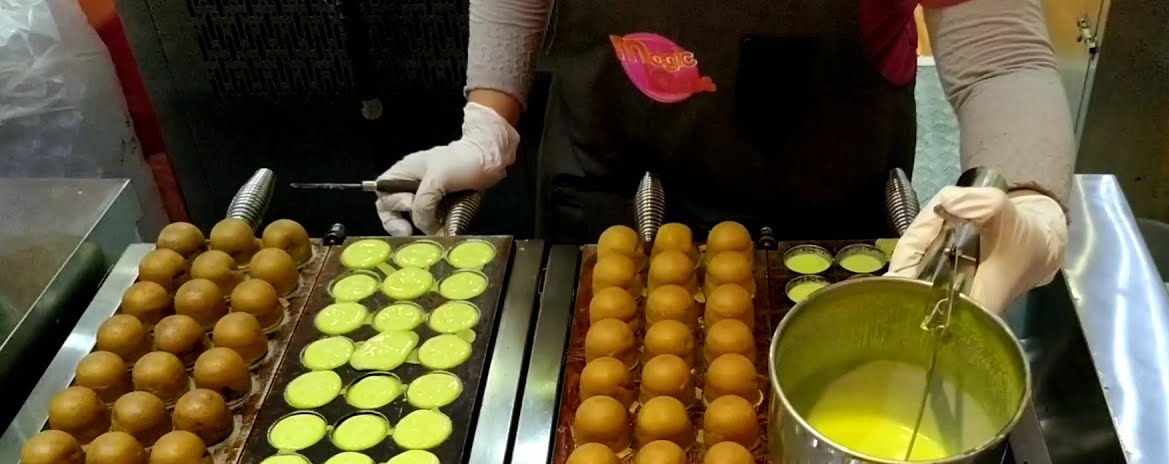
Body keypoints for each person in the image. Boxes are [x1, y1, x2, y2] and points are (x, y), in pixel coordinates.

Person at [375, 0, 1074, 312]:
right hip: (611, 165)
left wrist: (1034, 198)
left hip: (821, 173)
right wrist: (487, 121)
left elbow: (1000, 60)